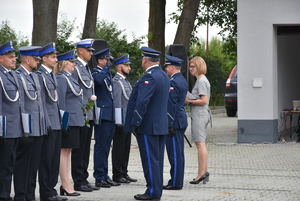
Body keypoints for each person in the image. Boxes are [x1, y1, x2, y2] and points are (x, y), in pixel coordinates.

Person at [124, 47, 170, 200]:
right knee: (157, 160)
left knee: (150, 160)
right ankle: (156, 191)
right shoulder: (163, 76)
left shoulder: (150, 77)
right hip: (160, 126)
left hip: (148, 126)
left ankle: (152, 192)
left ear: (145, 60)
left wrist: (135, 122)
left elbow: (142, 101)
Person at [14, 46, 48, 201]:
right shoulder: (18, 76)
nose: (38, 62)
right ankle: (20, 195)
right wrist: (24, 129)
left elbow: (41, 103)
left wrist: (45, 124)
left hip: (39, 128)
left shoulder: (35, 76)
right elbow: (20, 104)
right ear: (27, 60)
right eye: (35, 59)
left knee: (34, 165)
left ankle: (30, 195)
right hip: (28, 128)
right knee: (22, 165)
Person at [36, 42, 68, 201]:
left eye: (56, 57)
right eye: (53, 57)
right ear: (44, 58)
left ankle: (52, 190)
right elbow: (41, 102)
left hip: (56, 122)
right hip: (48, 124)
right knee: (47, 160)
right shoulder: (40, 75)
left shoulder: (51, 75)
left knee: (54, 159)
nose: (56, 60)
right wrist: (47, 122)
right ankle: (46, 193)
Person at [71, 39, 100, 192]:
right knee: (79, 149)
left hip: (88, 113)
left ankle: (84, 177)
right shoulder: (75, 68)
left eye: (92, 51)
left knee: (85, 149)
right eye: (89, 50)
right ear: (80, 51)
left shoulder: (87, 68)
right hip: (81, 114)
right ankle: (78, 180)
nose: (91, 53)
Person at [56, 50, 84, 197]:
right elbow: (61, 103)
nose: (74, 64)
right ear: (65, 63)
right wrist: (63, 123)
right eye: (72, 61)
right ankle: (66, 184)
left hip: (75, 120)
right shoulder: (61, 78)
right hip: (68, 120)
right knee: (63, 152)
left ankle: (67, 183)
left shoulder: (69, 78)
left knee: (68, 151)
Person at [0, 41, 26, 201]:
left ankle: (5, 194)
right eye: (10, 57)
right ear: (0, 58)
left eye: (14, 57)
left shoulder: (13, 75)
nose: (14, 59)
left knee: (10, 164)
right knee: (3, 166)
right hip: (5, 129)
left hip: (15, 128)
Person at [91, 48, 120, 188]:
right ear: (100, 60)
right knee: (101, 146)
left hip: (110, 114)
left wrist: (107, 69)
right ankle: (99, 176)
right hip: (102, 114)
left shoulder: (107, 74)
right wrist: (107, 67)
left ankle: (105, 174)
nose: (108, 62)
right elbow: (98, 82)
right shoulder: (96, 72)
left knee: (107, 146)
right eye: (106, 59)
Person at [185, 56, 211, 185]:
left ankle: (201, 174)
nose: (191, 69)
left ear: (199, 66)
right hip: (201, 114)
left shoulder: (201, 81)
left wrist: (189, 100)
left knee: (200, 144)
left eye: (193, 66)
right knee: (201, 144)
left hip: (200, 114)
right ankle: (204, 172)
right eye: (190, 66)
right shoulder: (201, 80)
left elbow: (204, 100)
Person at [163, 55, 188, 190]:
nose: (166, 69)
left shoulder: (173, 82)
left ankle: (176, 182)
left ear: (172, 67)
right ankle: (175, 180)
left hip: (175, 122)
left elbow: (171, 105)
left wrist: (169, 124)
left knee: (175, 154)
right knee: (178, 153)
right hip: (180, 119)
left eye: (167, 66)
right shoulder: (181, 80)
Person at [111, 54, 137, 184]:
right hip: (121, 120)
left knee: (126, 147)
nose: (129, 68)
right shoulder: (117, 82)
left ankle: (124, 172)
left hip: (127, 120)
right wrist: (118, 121)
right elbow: (117, 103)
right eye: (126, 65)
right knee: (119, 148)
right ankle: (117, 174)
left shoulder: (125, 81)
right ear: (119, 67)